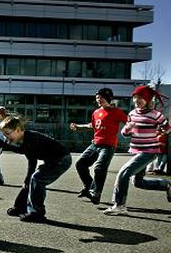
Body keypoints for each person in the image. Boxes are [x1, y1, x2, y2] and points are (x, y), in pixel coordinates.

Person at [103, 85, 171, 215]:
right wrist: (128, 127)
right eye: (135, 98)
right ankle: (166, 184)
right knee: (138, 182)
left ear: (147, 100)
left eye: (140, 98)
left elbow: (167, 129)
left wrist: (162, 129)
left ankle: (120, 205)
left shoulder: (156, 115)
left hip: (149, 152)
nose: (137, 100)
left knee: (123, 173)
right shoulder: (132, 113)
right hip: (135, 151)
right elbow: (124, 133)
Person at [0, 116, 72, 223]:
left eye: (7, 133)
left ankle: (37, 212)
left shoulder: (30, 138)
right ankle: (20, 207)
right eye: (4, 135)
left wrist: (3, 145)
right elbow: (31, 158)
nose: (6, 137)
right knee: (32, 180)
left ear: (18, 130)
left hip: (61, 160)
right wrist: (27, 180)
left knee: (37, 179)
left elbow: (24, 153)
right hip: (52, 160)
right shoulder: (25, 140)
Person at [69, 88, 126, 205]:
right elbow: (93, 125)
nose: (98, 100)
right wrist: (78, 127)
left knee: (99, 167)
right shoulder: (96, 112)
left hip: (108, 146)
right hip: (95, 144)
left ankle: (96, 192)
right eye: (97, 98)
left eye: (101, 97)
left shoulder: (116, 112)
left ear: (108, 98)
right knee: (80, 164)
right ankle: (88, 186)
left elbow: (129, 122)